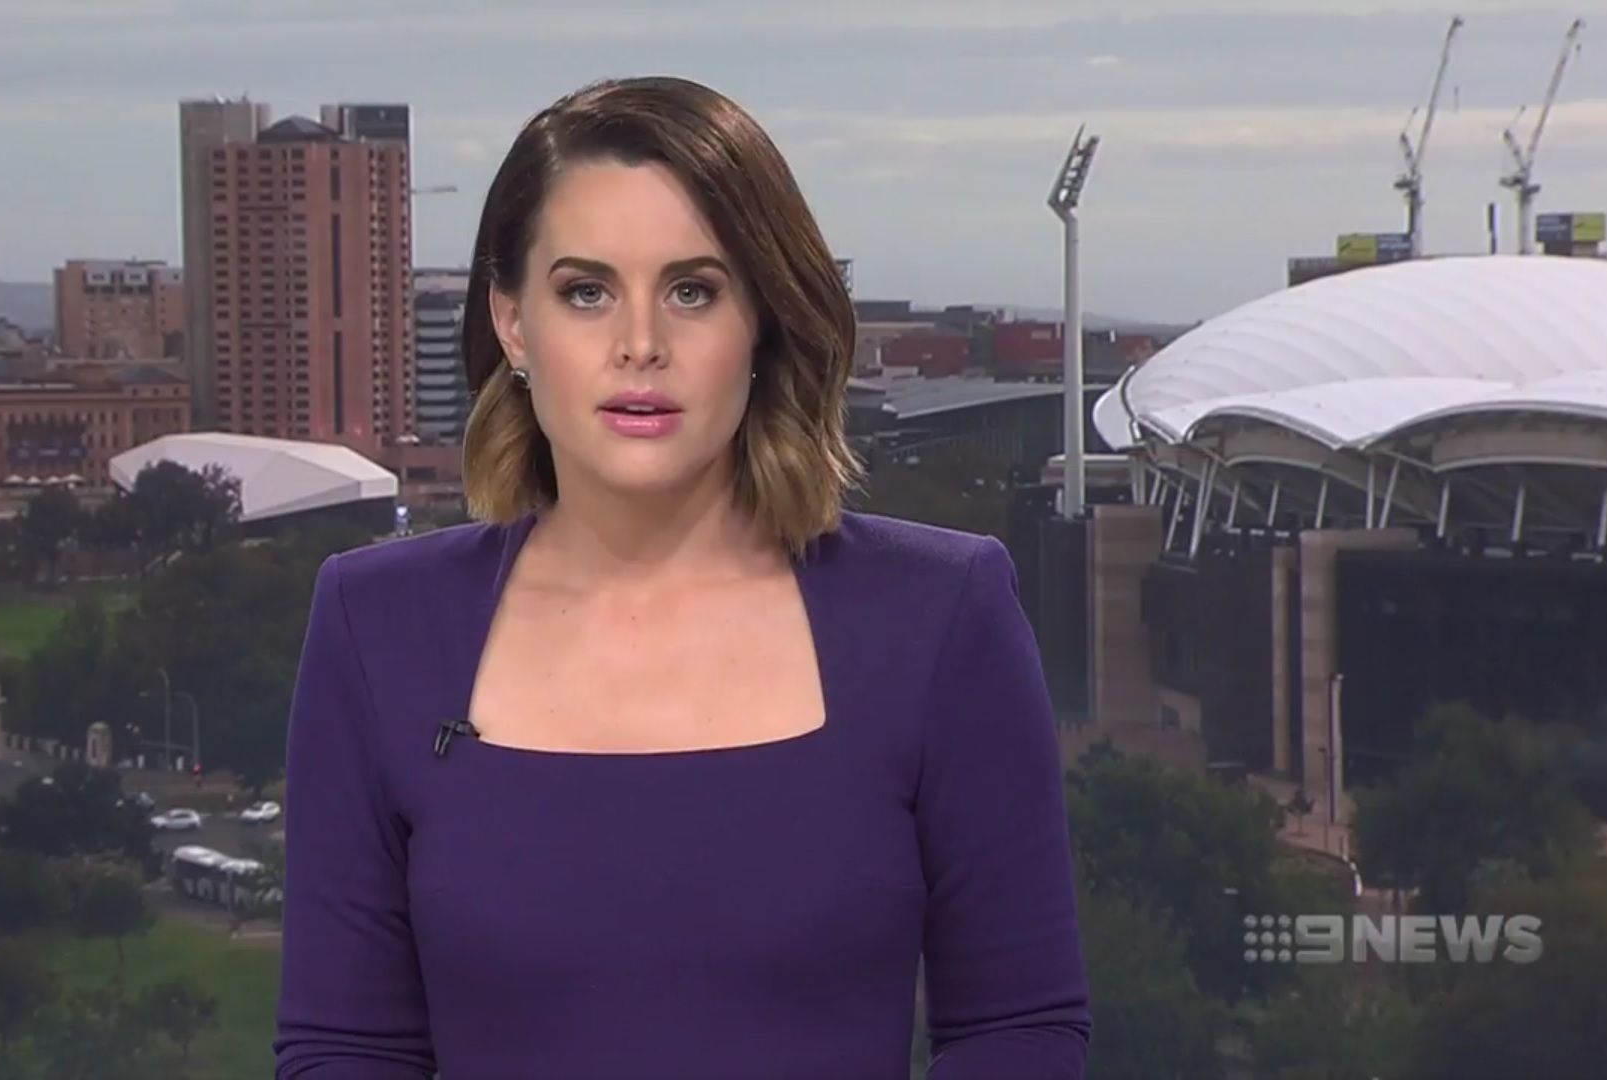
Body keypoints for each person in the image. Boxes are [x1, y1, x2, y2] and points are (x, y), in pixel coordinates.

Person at [274, 76, 1090, 1079]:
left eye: (693, 291)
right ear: (513, 324)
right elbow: (346, 1048)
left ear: (765, 320)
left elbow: (1019, 1029)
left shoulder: (941, 618)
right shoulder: (376, 627)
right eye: (586, 292)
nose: (641, 346)